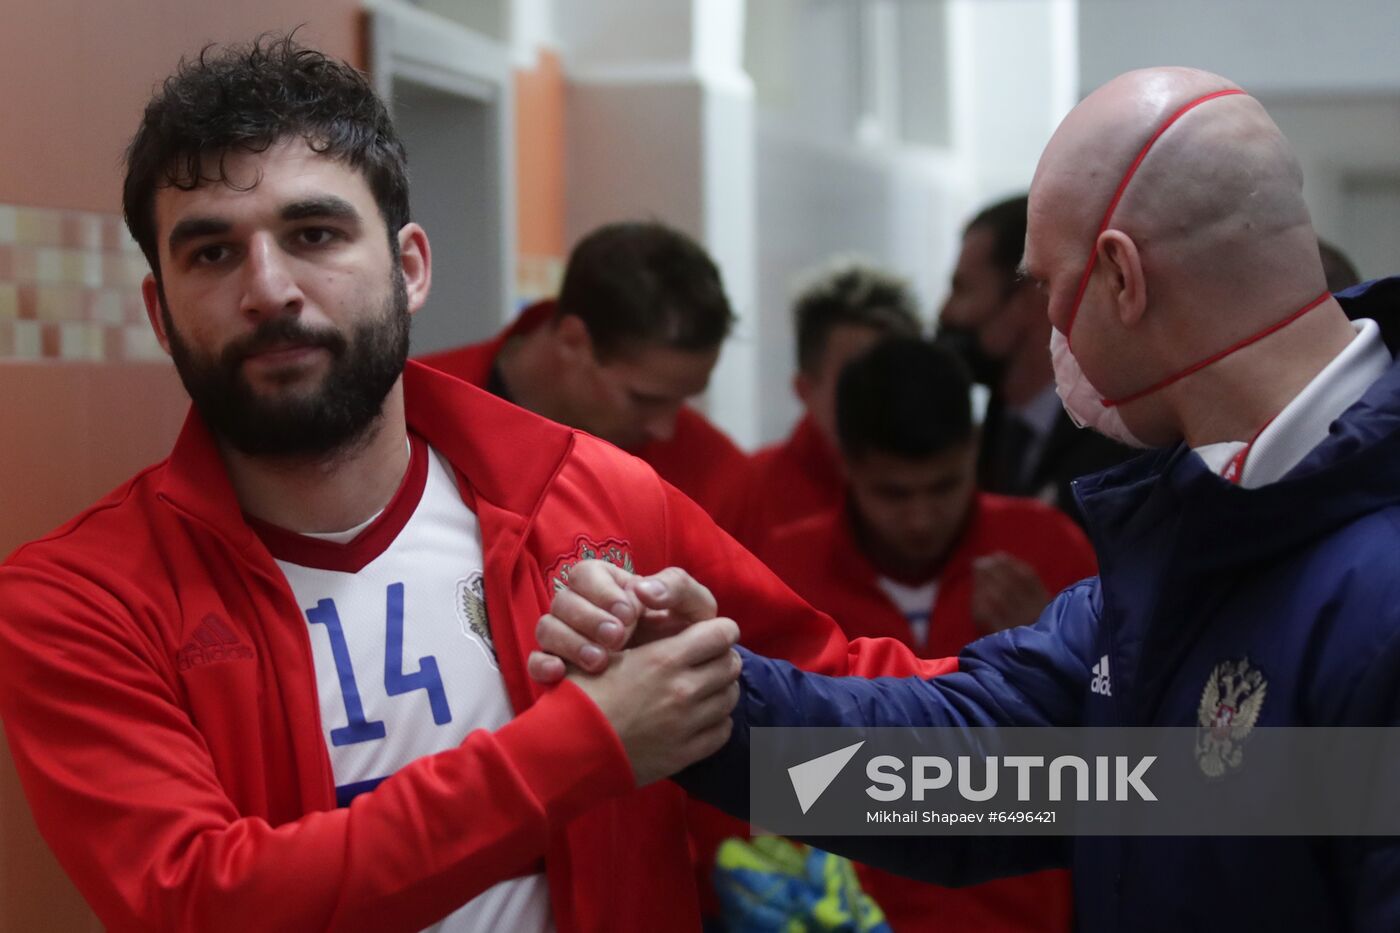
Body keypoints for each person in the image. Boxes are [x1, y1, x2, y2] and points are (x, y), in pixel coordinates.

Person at [0, 37, 946, 932]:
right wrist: (589, 744)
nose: (269, 288)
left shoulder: (596, 502)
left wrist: (1084, 784)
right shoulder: (80, 601)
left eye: (315, 232)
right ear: (160, 314)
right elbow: (205, 906)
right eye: (212, 253)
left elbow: (834, 754)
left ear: (409, 268)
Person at [536, 66, 1400, 931]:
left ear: (1120, 279)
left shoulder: (1358, 579)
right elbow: (961, 775)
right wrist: (700, 694)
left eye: (1047, 284)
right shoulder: (1207, 529)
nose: (1048, 325)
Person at [749, 337, 1091, 931]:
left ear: (975, 450)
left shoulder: (1050, 553)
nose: (920, 519)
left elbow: (1116, 765)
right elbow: (757, 775)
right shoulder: (781, 576)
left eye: (943, 486)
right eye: (893, 493)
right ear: (846, 463)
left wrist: (1058, 661)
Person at [419, 220, 749, 522]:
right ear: (573, 341)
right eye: (643, 399)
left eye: (683, 399)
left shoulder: (716, 474)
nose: (665, 429)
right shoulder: (415, 409)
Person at [935, 195, 1133, 523]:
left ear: (1029, 298)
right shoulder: (984, 432)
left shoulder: (1122, 441)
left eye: (963, 289)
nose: (946, 312)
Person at [718, 259, 921, 546]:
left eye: (896, 376)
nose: (881, 397)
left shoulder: (950, 480)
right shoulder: (747, 493)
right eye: (857, 381)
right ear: (804, 389)